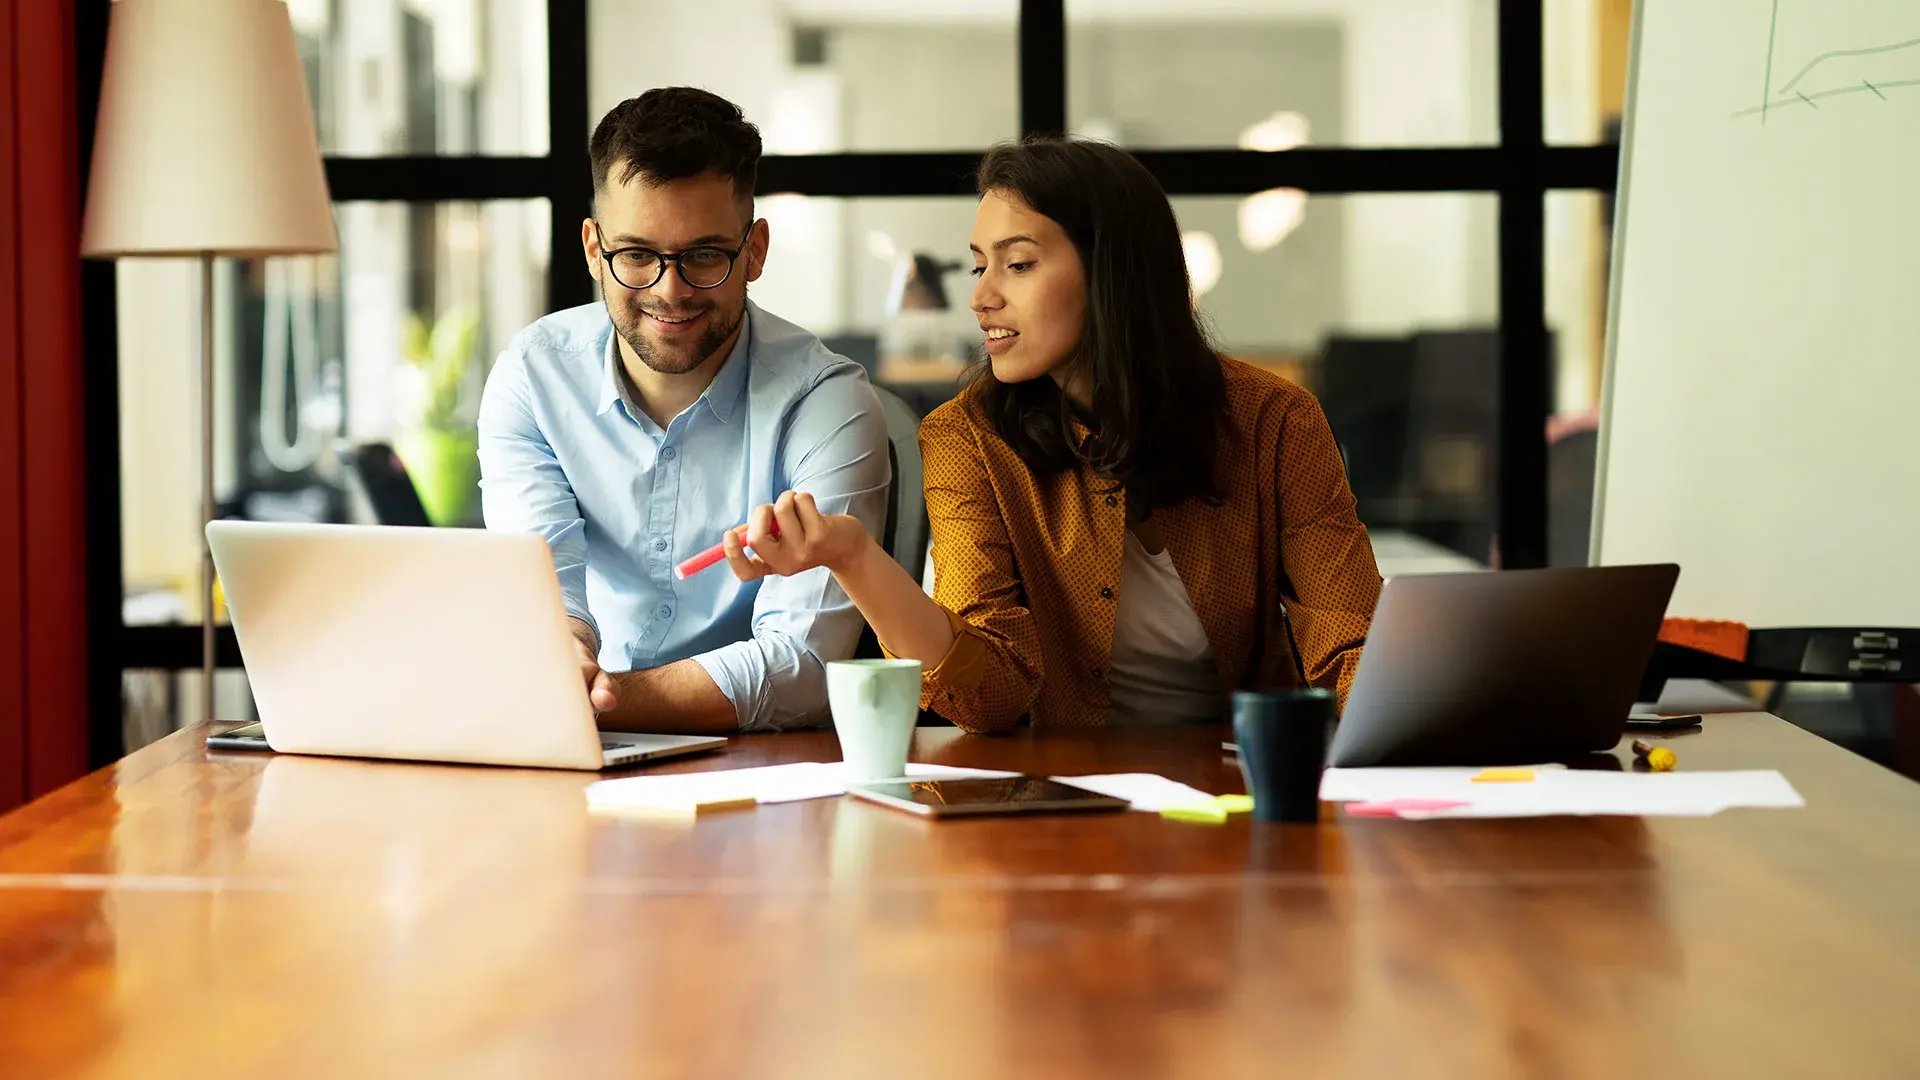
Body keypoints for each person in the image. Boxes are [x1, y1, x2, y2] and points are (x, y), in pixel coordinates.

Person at [720, 137, 1380, 733]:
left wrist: (1388, 743)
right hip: (1059, 790)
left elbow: (1351, 646)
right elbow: (989, 695)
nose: (981, 297)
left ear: (1114, 273)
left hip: (1246, 786)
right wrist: (856, 558)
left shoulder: (1275, 422)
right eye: (980, 266)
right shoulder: (966, 437)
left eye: (1019, 264)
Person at [477, 87, 890, 734]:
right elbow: (543, 593)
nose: (669, 291)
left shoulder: (826, 401)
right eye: (636, 255)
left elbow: (804, 667)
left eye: (703, 255)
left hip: (766, 774)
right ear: (593, 248)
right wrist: (567, 662)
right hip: (571, 750)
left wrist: (597, 699)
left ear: (753, 252)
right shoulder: (533, 378)